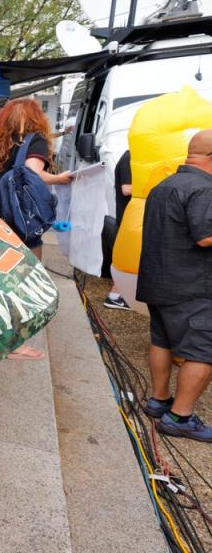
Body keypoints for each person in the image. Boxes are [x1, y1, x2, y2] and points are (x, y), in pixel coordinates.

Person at [0, 98, 72, 359]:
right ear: (36, 117)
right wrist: (61, 179)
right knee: (24, 281)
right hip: (20, 223)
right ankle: (15, 343)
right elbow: (34, 172)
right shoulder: (36, 141)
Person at [137, 130, 212, 442]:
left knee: (162, 341)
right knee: (204, 350)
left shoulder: (163, 185)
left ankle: (158, 399)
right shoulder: (205, 189)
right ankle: (180, 416)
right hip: (191, 286)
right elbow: (205, 237)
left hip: (158, 281)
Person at [104, 149, 133, 310]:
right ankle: (115, 296)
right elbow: (127, 188)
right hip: (127, 218)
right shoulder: (130, 157)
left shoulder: (132, 156)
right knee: (126, 258)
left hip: (130, 217)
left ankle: (118, 295)